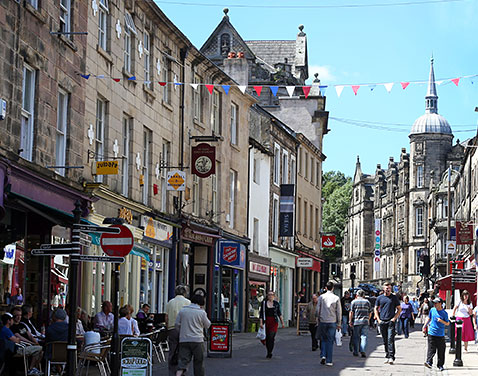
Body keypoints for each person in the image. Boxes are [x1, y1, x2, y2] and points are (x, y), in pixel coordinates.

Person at [175, 294, 211, 376]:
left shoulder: (182, 311)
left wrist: (182, 332)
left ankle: (178, 374)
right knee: (198, 362)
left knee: (183, 362)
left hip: (184, 339)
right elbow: (208, 325)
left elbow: (177, 324)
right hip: (197, 340)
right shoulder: (201, 312)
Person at [166, 285, 191, 376]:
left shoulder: (170, 302)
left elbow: (167, 317)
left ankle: (172, 372)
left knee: (172, 351)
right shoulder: (188, 302)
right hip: (184, 329)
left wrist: (167, 327)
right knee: (184, 351)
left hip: (172, 329)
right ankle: (182, 371)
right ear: (184, 293)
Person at [374, 282, 401, 365]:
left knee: (390, 339)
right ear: (383, 289)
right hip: (382, 321)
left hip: (390, 322)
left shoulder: (394, 298)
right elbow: (375, 308)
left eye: (389, 288)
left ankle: (391, 357)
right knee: (385, 340)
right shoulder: (379, 298)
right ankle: (387, 355)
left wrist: (394, 318)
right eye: (386, 288)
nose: (388, 289)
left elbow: (399, 309)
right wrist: (378, 319)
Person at [316, 281, 341, 366]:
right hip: (332, 321)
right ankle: (329, 360)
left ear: (326, 288)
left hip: (323, 321)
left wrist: (318, 318)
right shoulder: (336, 298)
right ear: (333, 288)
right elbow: (339, 312)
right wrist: (339, 323)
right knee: (330, 341)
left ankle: (323, 355)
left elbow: (317, 309)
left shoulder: (321, 297)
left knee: (323, 339)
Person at [423, 297, 449, 371]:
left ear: (440, 304)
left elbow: (447, 323)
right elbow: (429, 318)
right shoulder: (432, 310)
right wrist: (424, 326)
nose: (435, 304)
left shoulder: (444, 313)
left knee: (441, 350)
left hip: (440, 334)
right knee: (431, 349)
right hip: (431, 333)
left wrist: (441, 321)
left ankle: (440, 365)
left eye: (436, 303)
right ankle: (429, 362)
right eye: (434, 303)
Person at [259, 291, 285, 359]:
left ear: (274, 296)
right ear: (267, 296)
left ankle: (270, 351)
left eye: (272, 295)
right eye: (269, 295)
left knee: (271, 336)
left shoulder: (276, 304)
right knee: (267, 338)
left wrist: (282, 322)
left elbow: (279, 313)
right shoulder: (264, 303)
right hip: (266, 321)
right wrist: (261, 323)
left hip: (274, 322)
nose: (270, 296)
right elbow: (261, 313)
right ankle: (268, 351)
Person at [349, 289, 372, 357]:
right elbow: (370, 312)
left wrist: (350, 321)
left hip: (357, 321)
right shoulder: (367, 302)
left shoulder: (354, 302)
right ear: (363, 295)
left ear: (357, 295)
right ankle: (362, 350)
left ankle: (356, 351)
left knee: (356, 337)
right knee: (364, 336)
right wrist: (368, 319)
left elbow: (351, 312)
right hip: (365, 321)